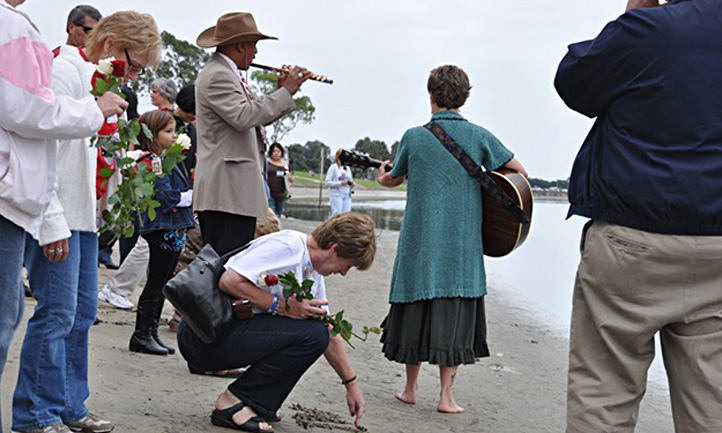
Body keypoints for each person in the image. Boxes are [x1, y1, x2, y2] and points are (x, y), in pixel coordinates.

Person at [554, 1, 722, 432]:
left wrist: (636, 11)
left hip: (633, 236)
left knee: (603, 395)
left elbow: (574, 83)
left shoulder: (649, 30)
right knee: (712, 406)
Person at [12, 10, 160, 433]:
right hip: (57, 213)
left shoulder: (105, 84)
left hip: (83, 216)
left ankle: (69, 406)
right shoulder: (64, 70)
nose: (132, 76)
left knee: (81, 312)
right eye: (134, 65)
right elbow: (45, 150)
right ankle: (35, 415)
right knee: (57, 312)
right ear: (112, 44)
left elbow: (87, 153)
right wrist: (50, 218)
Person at [375, 65, 527, 414]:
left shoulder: (414, 137)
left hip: (420, 241)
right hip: (462, 245)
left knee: (414, 306)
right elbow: (520, 170)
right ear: (465, 97)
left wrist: (380, 175)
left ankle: (410, 389)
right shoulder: (480, 136)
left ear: (431, 96)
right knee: (454, 315)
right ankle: (446, 397)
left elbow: (393, 179)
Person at [177, 212, 375, 432]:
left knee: (316, 332)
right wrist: (280, 306)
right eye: (347, 265)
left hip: (223, 334)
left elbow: (328, 329)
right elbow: (229, 281)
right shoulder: (288, 247)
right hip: (201, 337)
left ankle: (256, 403)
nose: (344, 273)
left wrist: (351, 384)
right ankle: (231, 403)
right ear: (334, 249)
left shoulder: (312, 269)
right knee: (312, 334)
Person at [194, 11, 313, 256]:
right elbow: (244, 116)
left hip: (231, 193)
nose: (256, 52)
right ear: (240, 46)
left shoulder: (224, 73)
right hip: (226, 192)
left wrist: (282, 91)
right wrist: (286, 93)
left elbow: (251, 116)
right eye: (254, 46)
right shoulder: (218, 75)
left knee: (229, 262)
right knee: (225, 264)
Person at [129, 110, 194, 356]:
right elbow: (165, 197)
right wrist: (191, 197)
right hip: (163, 228)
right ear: (152, 135)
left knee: (163, 282)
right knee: (156, 281)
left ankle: (151, 331)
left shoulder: (165, 159)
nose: (174, 135)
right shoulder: (152, 161)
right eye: (168, 131)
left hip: (172, 228)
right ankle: (142, 334)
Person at [266, 142, 293, 217]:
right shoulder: (266, 162)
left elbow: (289, 176)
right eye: (274, 151)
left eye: (278, 151)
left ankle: (277, 227)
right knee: (272, 213)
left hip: (281, 194)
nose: (276, 153)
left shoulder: (285, 165)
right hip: (269, 193)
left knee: (279, 213)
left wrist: (290, 179)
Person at [326, 149, 354, 216]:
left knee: (346, 215)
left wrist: (352, 184)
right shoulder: (333, 167)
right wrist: (340, 183)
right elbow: (327, 182)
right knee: (337, 214)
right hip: (336, 195)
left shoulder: (347, 168)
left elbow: (350, 180)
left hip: (347, 195)